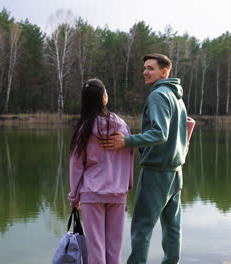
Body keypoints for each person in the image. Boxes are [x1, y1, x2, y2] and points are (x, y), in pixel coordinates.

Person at [100, 53, 188, 264]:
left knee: (141, 227)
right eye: (145, 68)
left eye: (150, 68)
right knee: (172, 227)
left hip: (156, 171)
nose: (145, 72)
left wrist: (126, 141)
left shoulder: (158, 95)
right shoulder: (178, 98)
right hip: (175, 171)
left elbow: (160, 133)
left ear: (164, 72)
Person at [68, 78, 134, 264]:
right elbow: (129, 157)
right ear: (104, 98)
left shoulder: (83, 128)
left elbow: (76, 165)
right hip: (118, 193)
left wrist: (74, 197)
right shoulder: (122, 125)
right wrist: (127, 186)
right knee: (114, 248)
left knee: (96, 249)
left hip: (91, 193)